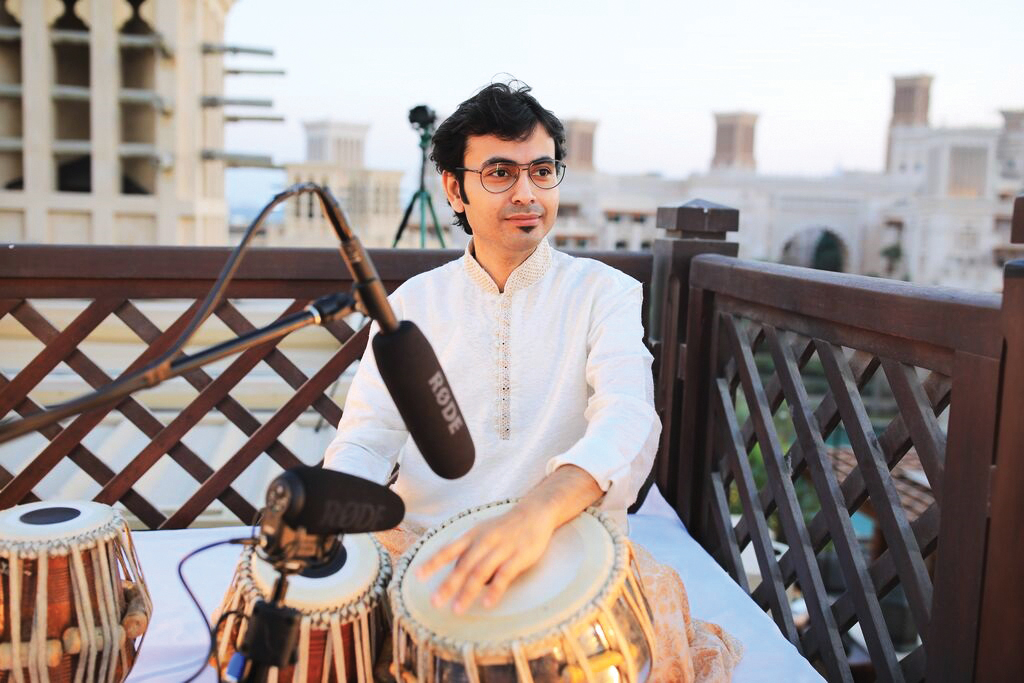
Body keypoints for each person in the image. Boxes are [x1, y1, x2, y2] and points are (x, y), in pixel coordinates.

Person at [324, 81, 740, 682]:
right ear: (454, 188)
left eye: (541, 171)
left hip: (566, 543)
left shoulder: (604, 292)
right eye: (500, 173)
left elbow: (627, 415)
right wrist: (335, 515)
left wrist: (537, 513)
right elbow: (366, 438)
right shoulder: (411, 305)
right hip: (430, 549)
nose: (527, 193)